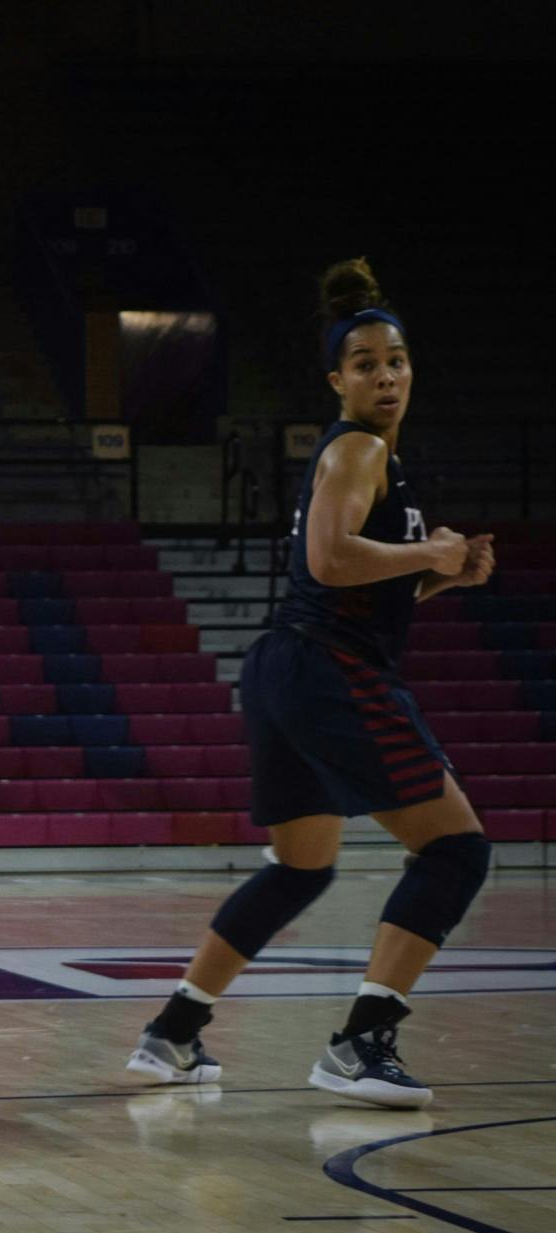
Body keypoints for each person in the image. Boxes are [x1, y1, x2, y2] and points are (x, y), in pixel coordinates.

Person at [126, 258, 496, 1109]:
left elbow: (346, 578)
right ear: (338, 380)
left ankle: (174, 1030)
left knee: (302, 865)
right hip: (327, 671)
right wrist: (427, 553)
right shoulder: (360, 447)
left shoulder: (367, 458)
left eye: (396, 360)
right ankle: (362, 1040)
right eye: (366, 363)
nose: (386, 375)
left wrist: (443, 577)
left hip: (289, 664)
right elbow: (331, 561)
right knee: (456, 848)